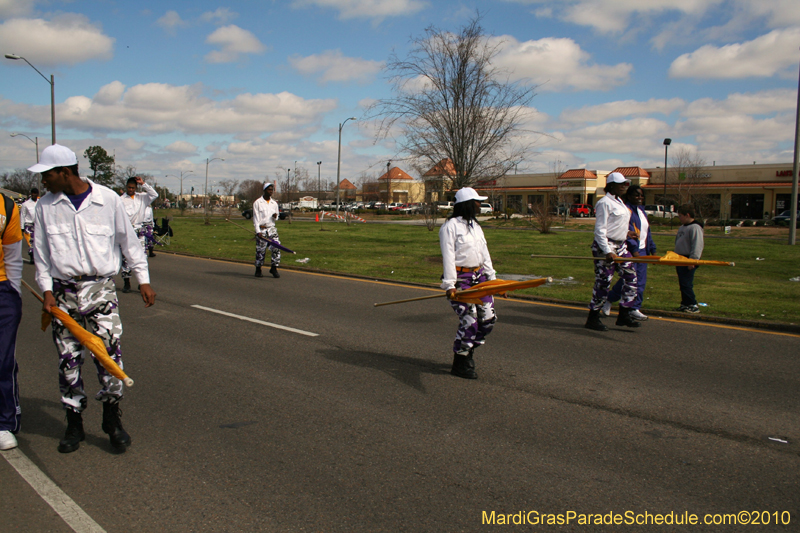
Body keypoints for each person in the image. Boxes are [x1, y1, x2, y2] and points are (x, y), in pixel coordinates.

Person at [30, 144, 156, 453]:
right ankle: (74, 424)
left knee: (109, 357)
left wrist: (144, 280)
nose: (43, 181)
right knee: (69, 361)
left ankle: (112, 421)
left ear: (65, 172)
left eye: (47, 175)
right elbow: (42, 256)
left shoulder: (107, 200)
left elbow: (129, 243)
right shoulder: (45, 206)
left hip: (101, 289)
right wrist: (47, 291)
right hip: (63, 293)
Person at [440, 187, 497, 379]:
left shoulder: (476, 226)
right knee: (470, 319)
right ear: (467, 204)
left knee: (488, 320)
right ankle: (461, 360)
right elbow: (448, 257)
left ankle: (469, 347)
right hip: (460, 280)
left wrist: (493, 280)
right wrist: (450, 285)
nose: (480, 206)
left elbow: (484, 254)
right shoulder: (450, 227)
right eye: (477, 202)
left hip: (479, 278)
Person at [585, 172, 640, 331]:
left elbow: (615, 224)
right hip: (606, 246)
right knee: (604, 282)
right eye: (621, 184)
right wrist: (607, 251)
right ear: (611, 185)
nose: (624, 186)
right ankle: (593, 317)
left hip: (621, 245)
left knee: (631, 277)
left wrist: (626, 233)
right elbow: (600, 230)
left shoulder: (620, 202)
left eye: (625, 184)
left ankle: (624, 313)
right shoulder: (604, 203)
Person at [605, 185, 656, 321]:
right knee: (633, 279)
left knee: (634, 280)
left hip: (643, 250)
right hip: (631, 251)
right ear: (629, 196)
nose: (639, 198)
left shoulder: (641, 211)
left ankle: (612, 299)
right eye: (636, 195)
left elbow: (646, 232)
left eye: (641, 195)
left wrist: (652, 248)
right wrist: (634, 250)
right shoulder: (626, 210)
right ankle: (633, 308)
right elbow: (626, 231)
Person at [0, 192, 23, 450]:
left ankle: (3, 422)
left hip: (2, 289)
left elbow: (13, 255)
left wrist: (14, 295)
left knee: (3, 359)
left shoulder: (6, 205)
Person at [120, 176, 158, 292]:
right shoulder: (120, 199)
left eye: (133, 187)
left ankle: (142, 282)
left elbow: (154, 195)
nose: (130, 189)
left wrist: (143, 184)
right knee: (126, 258)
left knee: (141, 257)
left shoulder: (142, 197)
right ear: (126, 187)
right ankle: (127, 282)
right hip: (127, 230)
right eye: (129, 187)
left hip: (139, 230)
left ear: (136, 188)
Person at [674, 203, 705, 313]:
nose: (679, 218)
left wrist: (693, 260)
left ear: (687, 215)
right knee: (682, 283)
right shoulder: (682, 228)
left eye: (680, 216)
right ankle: (685, 303)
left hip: (688, 259)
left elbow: (697, 245)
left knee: (687, 283)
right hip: (680, 258)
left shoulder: (695, 227)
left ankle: (692, 304)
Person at [252, 183, 281, 278]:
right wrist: (258, 231)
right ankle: (258, 269)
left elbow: (276, 217)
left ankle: (274, 268)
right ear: (264, 190)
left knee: (276, 247)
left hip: (271, 229)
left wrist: (276, 216)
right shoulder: (257, 203)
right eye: (269, 189)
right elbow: (256, 218)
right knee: (261, 250)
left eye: (272, 190)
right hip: (262, 229)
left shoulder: (274, 203)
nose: (271, 191)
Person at [20, 187, 39, 263]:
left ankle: (37, 256)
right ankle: (32, 257)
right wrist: (22, 227)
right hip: (29, 225)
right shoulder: (26, 204)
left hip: (38, 224)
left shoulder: (40, 202)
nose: (33, 194)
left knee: (37, 242)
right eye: (32, 193)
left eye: (35, 193)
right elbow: (22, 215)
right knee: (31, 242)